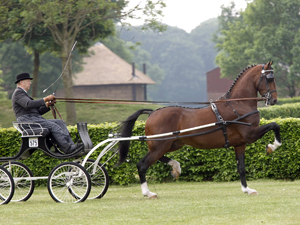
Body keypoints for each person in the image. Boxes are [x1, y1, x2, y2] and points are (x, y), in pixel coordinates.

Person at [11, 72, 83, 154]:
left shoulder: (23, 94)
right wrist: (45, 99)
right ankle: (67, 148)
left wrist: (48, 105)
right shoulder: (18, 93)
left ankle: (71, 146)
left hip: (33, 118)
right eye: (28, 81)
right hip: (27, 121)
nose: (30, 83)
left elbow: (37, 112)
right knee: (53, 126)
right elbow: (28, 104)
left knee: (60, 122)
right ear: (21, 82)